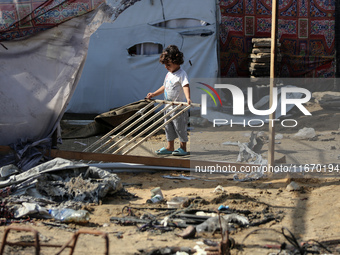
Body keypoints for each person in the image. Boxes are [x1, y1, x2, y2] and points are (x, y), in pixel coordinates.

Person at [146, 45, 191, 156]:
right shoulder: (168, 74)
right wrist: (154, 94)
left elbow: (185, 85)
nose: (166, 67)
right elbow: (164, 87)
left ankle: (183, 148)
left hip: (178, 108)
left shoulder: (182, 74)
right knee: (168, 128)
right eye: (165, 65)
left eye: (168, 65)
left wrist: (188, 98)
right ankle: (170, 147)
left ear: (177, 62)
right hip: (168, 107)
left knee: (180, 128)